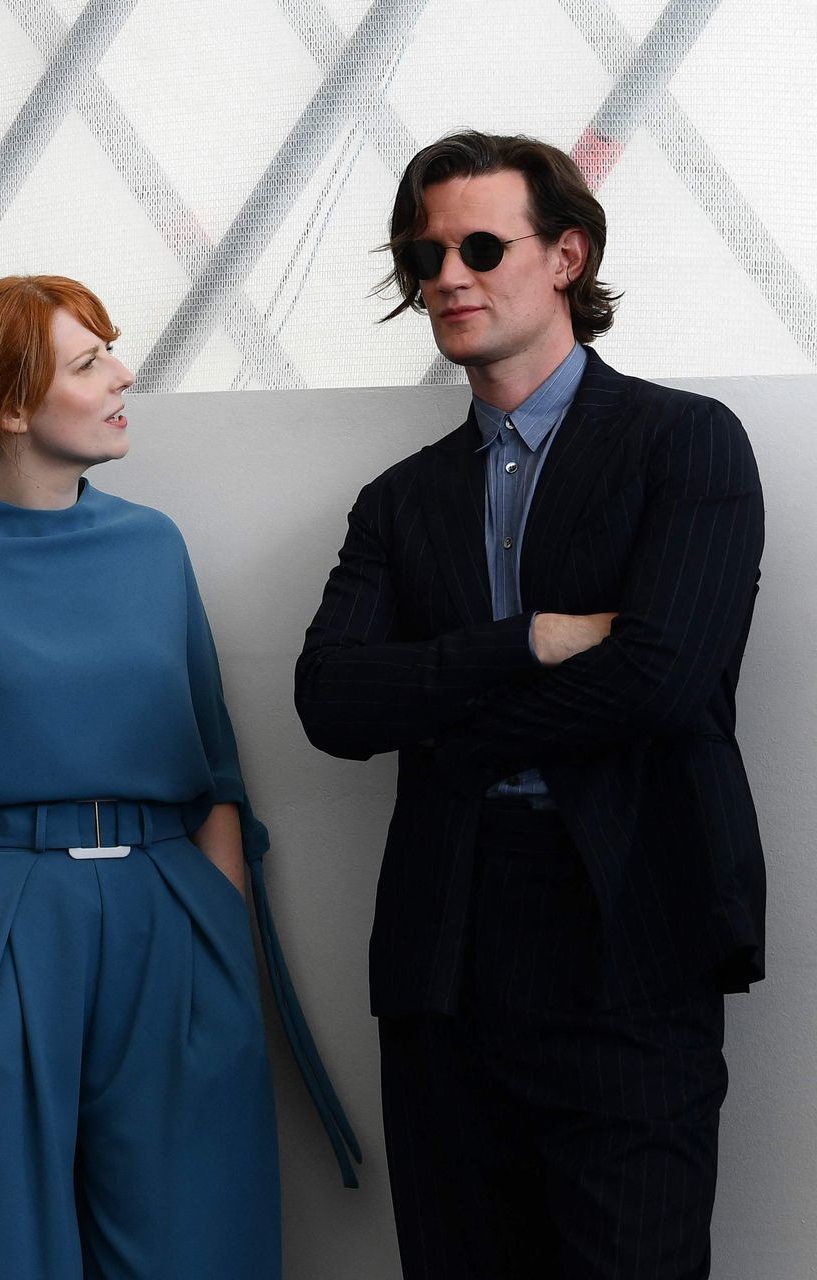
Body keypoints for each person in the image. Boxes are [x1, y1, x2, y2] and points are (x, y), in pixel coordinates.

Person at [0, 275, 357, 1278]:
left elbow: (216, 773)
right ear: (10, 406)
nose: (123, 375)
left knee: (195, 1252)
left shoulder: (153, 546)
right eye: (89, 362)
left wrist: (216, 931)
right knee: (4, 1254)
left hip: (167, 917)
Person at [296, 131, 766, 1280]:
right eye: (426, 254)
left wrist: (443, 728)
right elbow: (330, 699)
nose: (448, 275)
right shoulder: (399, 500)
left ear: (566, 255)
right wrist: (526, 641)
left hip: (631, 927)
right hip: (445, 951)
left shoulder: (684, 440)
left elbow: (661, 677)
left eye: (481, 246)